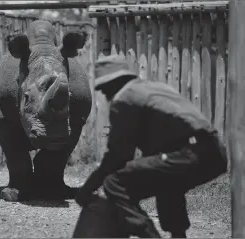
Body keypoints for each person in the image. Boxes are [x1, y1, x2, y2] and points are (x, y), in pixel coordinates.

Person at [73, 55, 228, 238]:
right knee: (166, 180)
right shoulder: (153, 89)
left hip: (193, 152)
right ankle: (178, 235)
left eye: (105, 90)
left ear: (115, 83)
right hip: (214, 153)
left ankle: (149, 234)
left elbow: (118, 157)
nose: (106, 96)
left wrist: (87, 188)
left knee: (115, 183)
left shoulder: (125, 99)